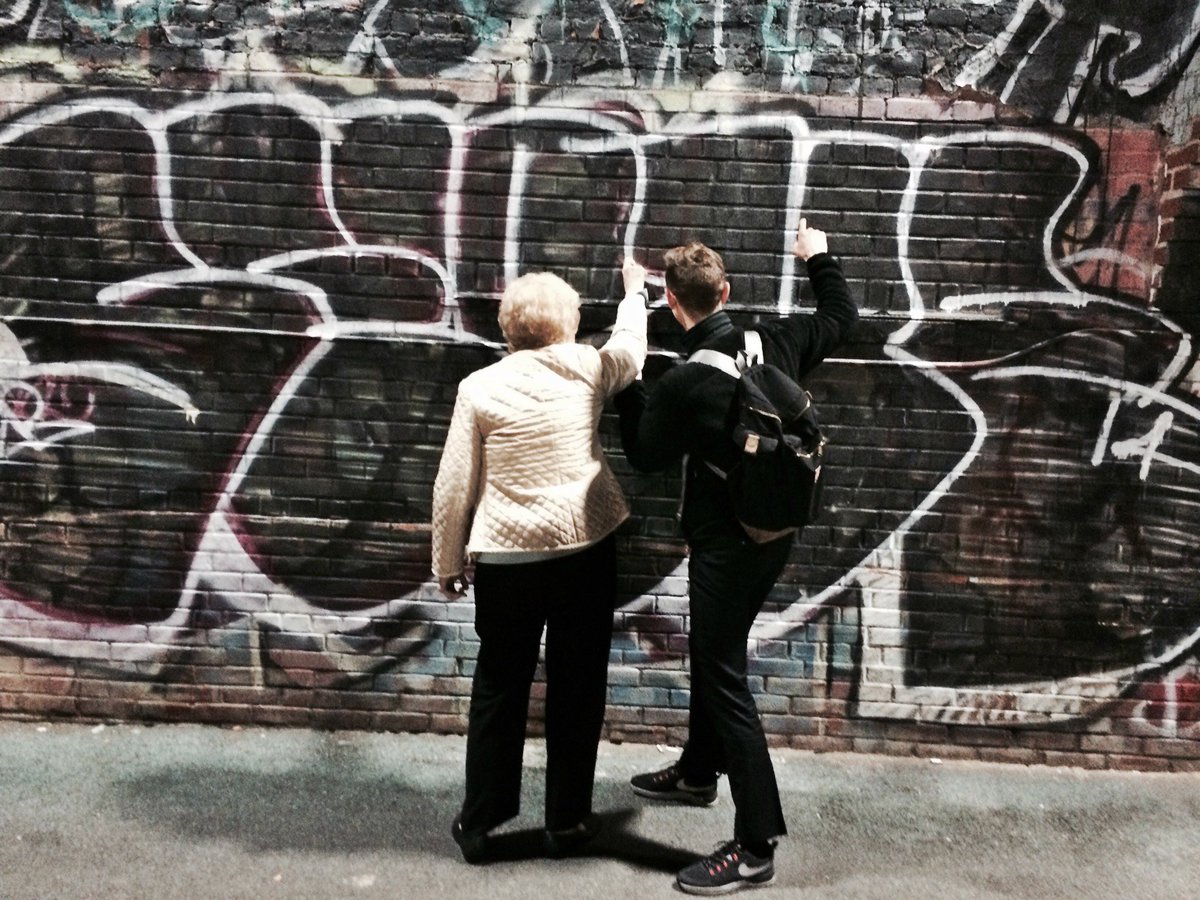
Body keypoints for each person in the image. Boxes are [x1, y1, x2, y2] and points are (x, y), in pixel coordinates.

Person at [613, 220, 857, 894]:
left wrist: (630, 380)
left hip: (726, 545)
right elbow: (841, 316)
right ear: (725, 292)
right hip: (775, 535)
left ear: (672, 300)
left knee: (722, 675)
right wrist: (818, 257)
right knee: (713, 653)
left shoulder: (685, 382)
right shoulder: (774, 340)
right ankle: (697, 773)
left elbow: (643, 453)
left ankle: (755, 845)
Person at [431, 260, 649, 864]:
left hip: (508, 561)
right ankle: (568, 821)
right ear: (567, 324)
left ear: (510, 327)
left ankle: (482, 822)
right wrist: (634, 294)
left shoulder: (479, 387)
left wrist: (447, 560)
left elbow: (454, 484)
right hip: (585, 552)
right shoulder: (587, 366)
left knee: (500, 687)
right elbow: (631, 349)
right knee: (578, 686)